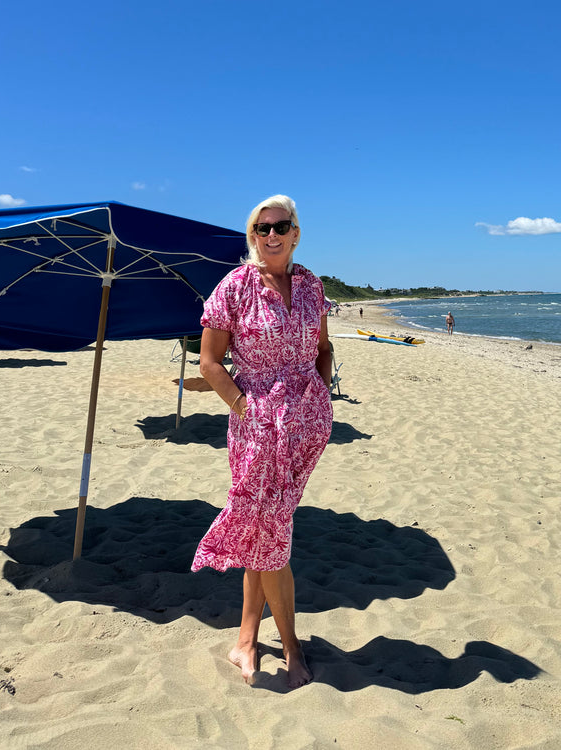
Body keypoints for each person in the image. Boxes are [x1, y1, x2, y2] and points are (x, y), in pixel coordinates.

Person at [191, 194, 333, 689]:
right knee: (269, 530)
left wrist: (319, 398)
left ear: (296, 233)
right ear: (253, 237)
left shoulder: (312, 286)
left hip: (306, 429)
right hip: (256, 428)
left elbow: (323, 348)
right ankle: (291, 647)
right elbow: (209, 363)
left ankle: (246, 639)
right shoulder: (235, 286)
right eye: (261, 228)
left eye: (281, 226)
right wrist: (246, 409)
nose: (271, 235)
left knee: (266, 527)